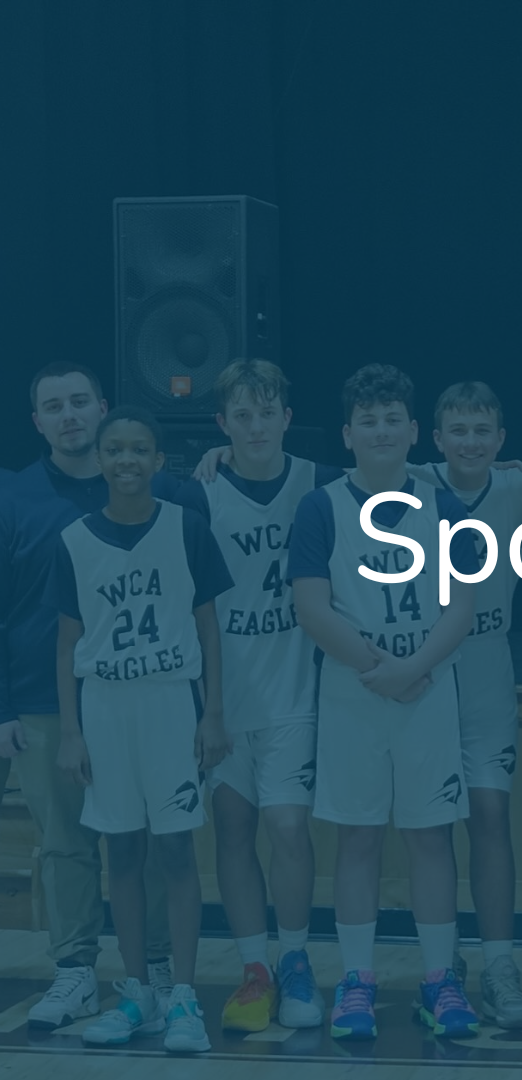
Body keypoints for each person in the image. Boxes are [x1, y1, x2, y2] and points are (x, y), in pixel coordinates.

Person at [289, 363, 481, 1041]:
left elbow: (464, 602)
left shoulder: (443, 506)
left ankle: (438, 980)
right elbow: (311, 607)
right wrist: (383, 668)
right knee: (359, 837)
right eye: (366, 420)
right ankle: (358, 980)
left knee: (431, 837)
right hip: (355, 693)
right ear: (347, 434)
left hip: (427, 691)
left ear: (413, 431)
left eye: (391, 418)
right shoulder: (321, 506)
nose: (379, 429)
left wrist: (416, 666)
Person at [49, 406, 232, 1053]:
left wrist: (212, 712)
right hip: (104, 706)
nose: (126, 460)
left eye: (139, 450)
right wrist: (70, 731)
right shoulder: (74, 540)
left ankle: (183, 997)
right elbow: (68, 643)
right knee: (120, 852)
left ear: (159, 461)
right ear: (100, 460)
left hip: (170, 703)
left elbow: (210, 627)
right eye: (115, 449)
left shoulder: (187, 528)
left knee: (177, 850)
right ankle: (137, 995)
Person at [0, 365, 175, 1029]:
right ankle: (74, 972)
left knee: (149, 839)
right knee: (66, 844)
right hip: (44, 700)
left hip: (137, 694)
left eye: (80, 402)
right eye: (54, 406)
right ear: (38, 420)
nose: (70, 415)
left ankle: (154, 967)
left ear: (103, 409)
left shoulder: (153, 489)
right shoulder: (12, 498)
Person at [175, 359, 343, 1033]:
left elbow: (401, 483)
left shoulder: (320, 483)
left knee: (287, 828)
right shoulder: (197, 492)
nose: (254, 426)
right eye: (239, 416)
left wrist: (510, 475)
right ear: (222, 425)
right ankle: (253, 968)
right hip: (221, 695)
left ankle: (296, 958)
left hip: (294, 693)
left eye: (265, 413)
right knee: (235, 830)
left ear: (286, 418)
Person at [410, 381, 522, 1028]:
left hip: (487, 660)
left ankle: (500, 964)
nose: (470, 442)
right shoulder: (409, 479)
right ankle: (443, 964)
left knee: (490, 815)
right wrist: (216, 460)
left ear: (501, 439)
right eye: (457, 431)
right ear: (436, 439)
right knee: (430, 824)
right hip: (428, 664)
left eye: (482, 431)